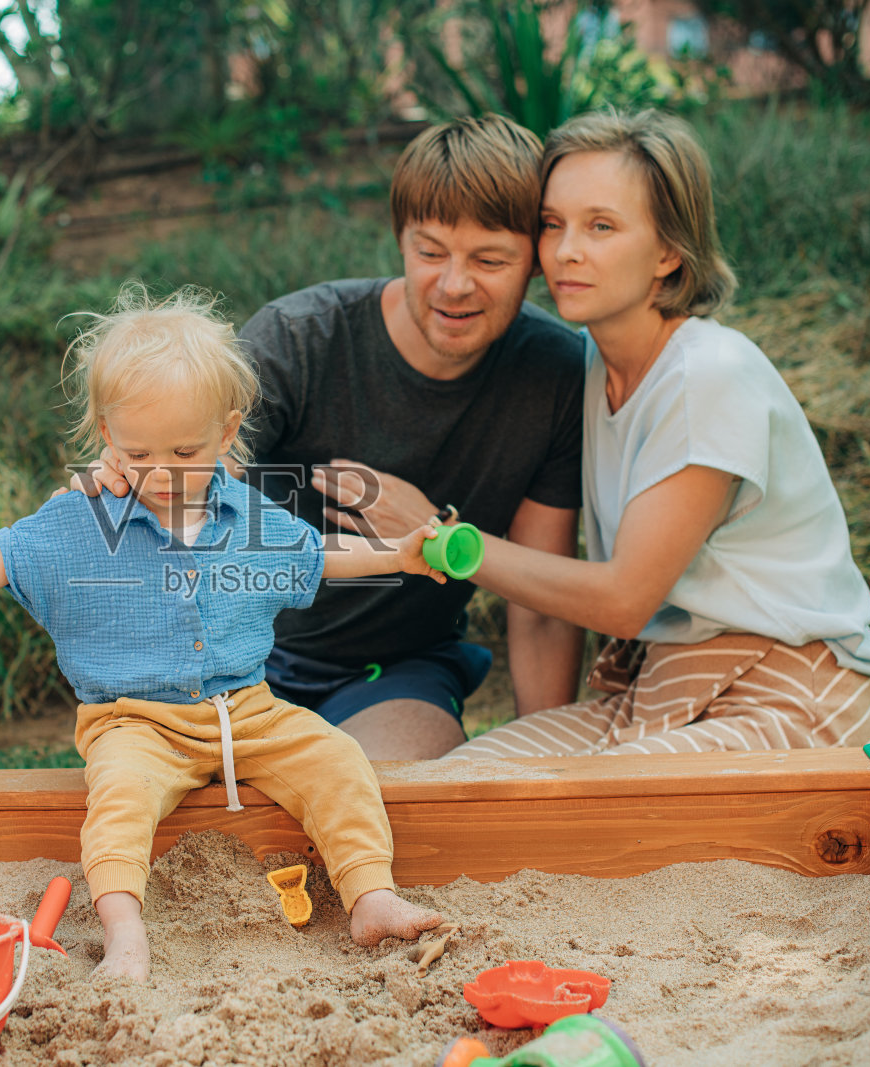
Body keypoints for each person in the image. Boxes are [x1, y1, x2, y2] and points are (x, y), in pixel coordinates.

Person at [0, 285, 446, 982]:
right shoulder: (83, 518)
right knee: (120, 796)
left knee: (337, 759)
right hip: (133, 718)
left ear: (226, 433)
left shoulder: (246, 513)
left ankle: (370, 896)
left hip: (247, 710)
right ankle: (124, 933)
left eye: (185, 450)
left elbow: (317, 554)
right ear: (107, 436)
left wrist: (399, 553)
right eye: (137, 452)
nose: (161, 472)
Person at [78, 115, 589, 759]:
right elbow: (178, 496)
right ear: (400, 239)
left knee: (398, 781)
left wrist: (551, 770)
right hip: (238, 658)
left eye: (490, 260)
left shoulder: (554, 373)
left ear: (536, 260)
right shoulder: (298, 339)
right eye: (430, 253)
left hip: (394, 673)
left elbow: (541, 602)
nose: (455, 285)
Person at [444, 109, 870, 762]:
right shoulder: (589, 366)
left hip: (788, 696)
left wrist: (451, 544)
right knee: (468, 778)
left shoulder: (709, 376)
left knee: (587, 802)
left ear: (668, 251)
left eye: (601, 226)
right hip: (658, 693)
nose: (566, 251)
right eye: (553, 224)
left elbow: (624, 600)